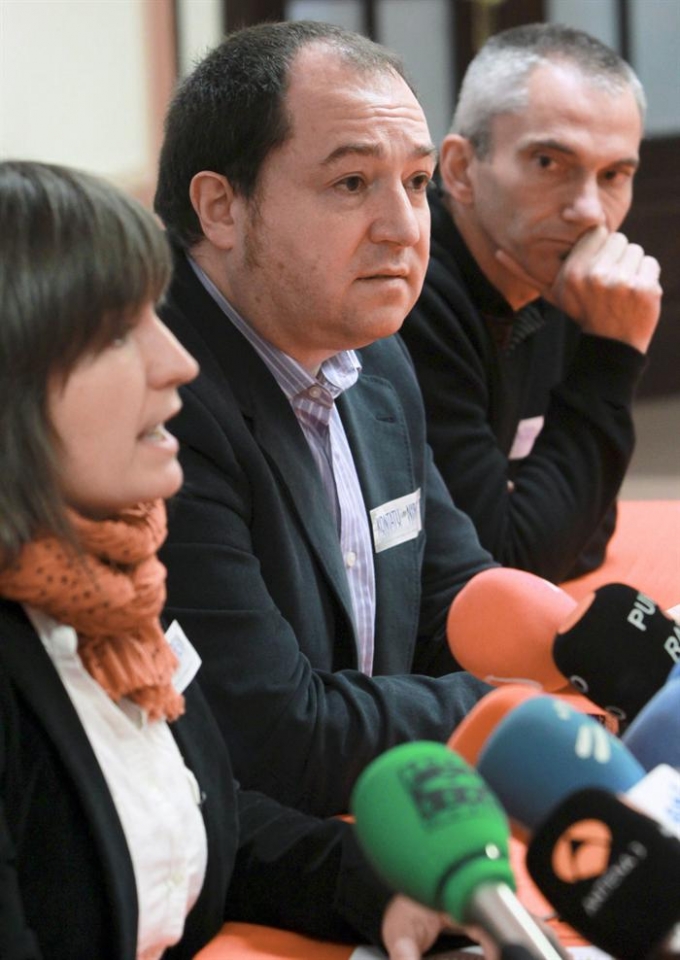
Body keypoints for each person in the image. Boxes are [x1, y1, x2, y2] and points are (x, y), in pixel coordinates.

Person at [0, 158, 500, 960]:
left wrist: (381, 888)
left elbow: (205, 816)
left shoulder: (110, 582)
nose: (177, 363)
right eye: (121, 334)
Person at [153, 20, 496, 818]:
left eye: (416, 183)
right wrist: (506, 712)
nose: (405, 229)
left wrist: (572, 650)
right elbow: (277, 737)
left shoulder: (371, 353)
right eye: (351, 185)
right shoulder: (157, 399)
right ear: (221, 208)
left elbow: (452, 596)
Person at [400, 23, 662, 584]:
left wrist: (546, 522)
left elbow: (588, 531)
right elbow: (505, 567)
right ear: (461, 170)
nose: (590, 211)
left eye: (614, 174)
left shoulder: (558, 269)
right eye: (549, 163)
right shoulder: (408, 290)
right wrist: (612, 354)